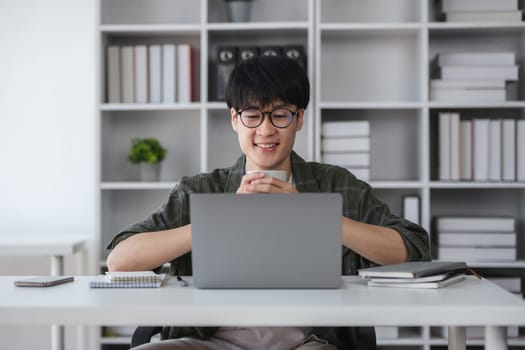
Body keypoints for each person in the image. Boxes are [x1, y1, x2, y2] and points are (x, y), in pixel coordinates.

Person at [106, 55, 431, 350]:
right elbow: (119, 260)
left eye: (280, 115)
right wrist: (219, 219)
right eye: (252, 115)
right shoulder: (202, 188)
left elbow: (413, 248)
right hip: (209, 341)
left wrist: (311, 216)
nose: (265, 130)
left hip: (309, 343)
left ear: (299, 119)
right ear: (234, 119)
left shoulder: (336, 184)